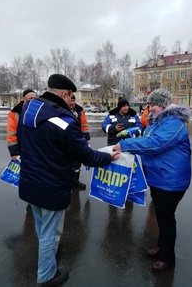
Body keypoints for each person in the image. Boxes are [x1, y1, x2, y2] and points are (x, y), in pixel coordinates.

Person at [17, 73, 119, 287]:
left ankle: (47, 259)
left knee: (42, 227)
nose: (72, 101)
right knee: (51, 234)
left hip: (30, 181)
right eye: (71, 96)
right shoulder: (63, 121)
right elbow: (85, 155)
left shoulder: (28, 108)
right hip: (51, 186)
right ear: (64, 94)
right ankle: (46, 277)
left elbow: (24, 140)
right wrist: (108, 157)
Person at [113, 88, 191, 272]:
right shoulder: (158, 122)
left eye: (153, 104)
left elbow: (156, 144)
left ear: (163, 105)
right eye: (149, 104)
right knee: (161, 217)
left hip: (171, 180)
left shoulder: (173, 122)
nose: (150, 108)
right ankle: (161, 247)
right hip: (159, 177)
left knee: (166, 218)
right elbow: (146, 139)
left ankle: (167, 258)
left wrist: (124, 145)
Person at [6, 89, 37, 160]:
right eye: (30, 98)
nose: (33, 100)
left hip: (36, 149)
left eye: (35, 98)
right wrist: (14, 153)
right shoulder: (15, 113)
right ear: (24, 99)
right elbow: (11, 134)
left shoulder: (40, 112)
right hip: (22, 149)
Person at [68, 94, 90, 189]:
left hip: (78, 140)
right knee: (67, 163)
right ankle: (67, 182)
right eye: (70, 101)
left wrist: (86, 137)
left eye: (74, 101)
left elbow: (84, 125)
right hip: (66, 141)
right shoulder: (62, 110)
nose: (72, 103)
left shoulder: (80, 111)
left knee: (77, 163)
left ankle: (75, 181)